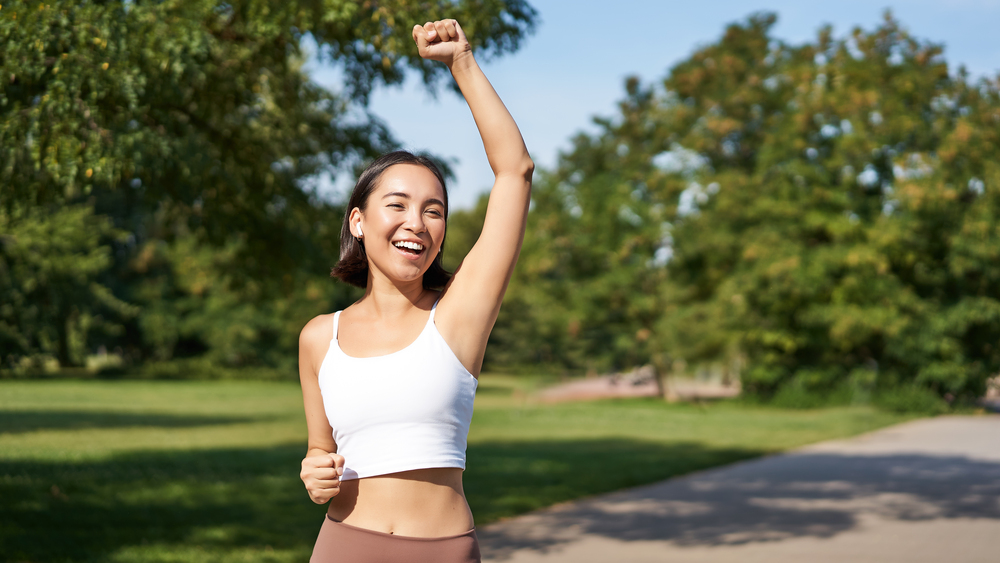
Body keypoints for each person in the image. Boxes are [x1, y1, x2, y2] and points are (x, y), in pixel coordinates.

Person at [297, 18, 533, 563]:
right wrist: (315, 474)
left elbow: (514, 173)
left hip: (441, 552)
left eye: (434, 210)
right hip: (343, 547)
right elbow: (319, 455)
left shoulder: (458, 317)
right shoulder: (318, 339)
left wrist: (462, 64)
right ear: (359, 221)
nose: (417, 223)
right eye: (397, 205)